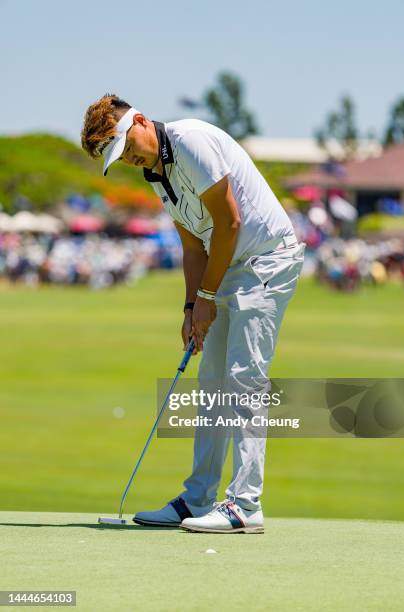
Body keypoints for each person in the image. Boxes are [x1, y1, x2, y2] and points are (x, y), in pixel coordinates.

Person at [81, 94, 305, 533]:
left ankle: (245, 506)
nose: (129, 158)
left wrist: (207, 297)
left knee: (243, 380)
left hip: (266, 259)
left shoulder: (190, 141)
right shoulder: (155, 175)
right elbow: (192, 245)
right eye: (120, 156)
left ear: (141, 121)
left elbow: (230, 223)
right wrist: (190, 307)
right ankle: (199, 498)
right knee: (213, 383)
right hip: (227, 265)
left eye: (127, 146)